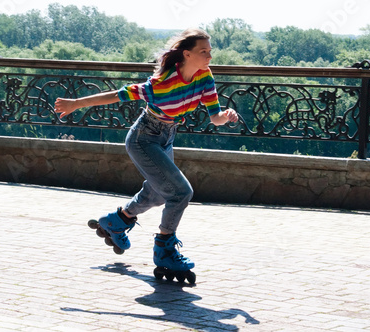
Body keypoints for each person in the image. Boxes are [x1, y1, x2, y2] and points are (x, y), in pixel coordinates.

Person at [54, 28, 238, 280]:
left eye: (209, 51)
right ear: (187, 54)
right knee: (181, 192)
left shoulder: (204, 77)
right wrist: (76, 103)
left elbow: (215, 117)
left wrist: (225, 117)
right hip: (144, 139)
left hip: (166, 137)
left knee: (159, 193)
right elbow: (117, 96)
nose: (209, 56)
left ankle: (117, 221)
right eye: (203, 51)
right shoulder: (161, 84)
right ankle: (164, 249)